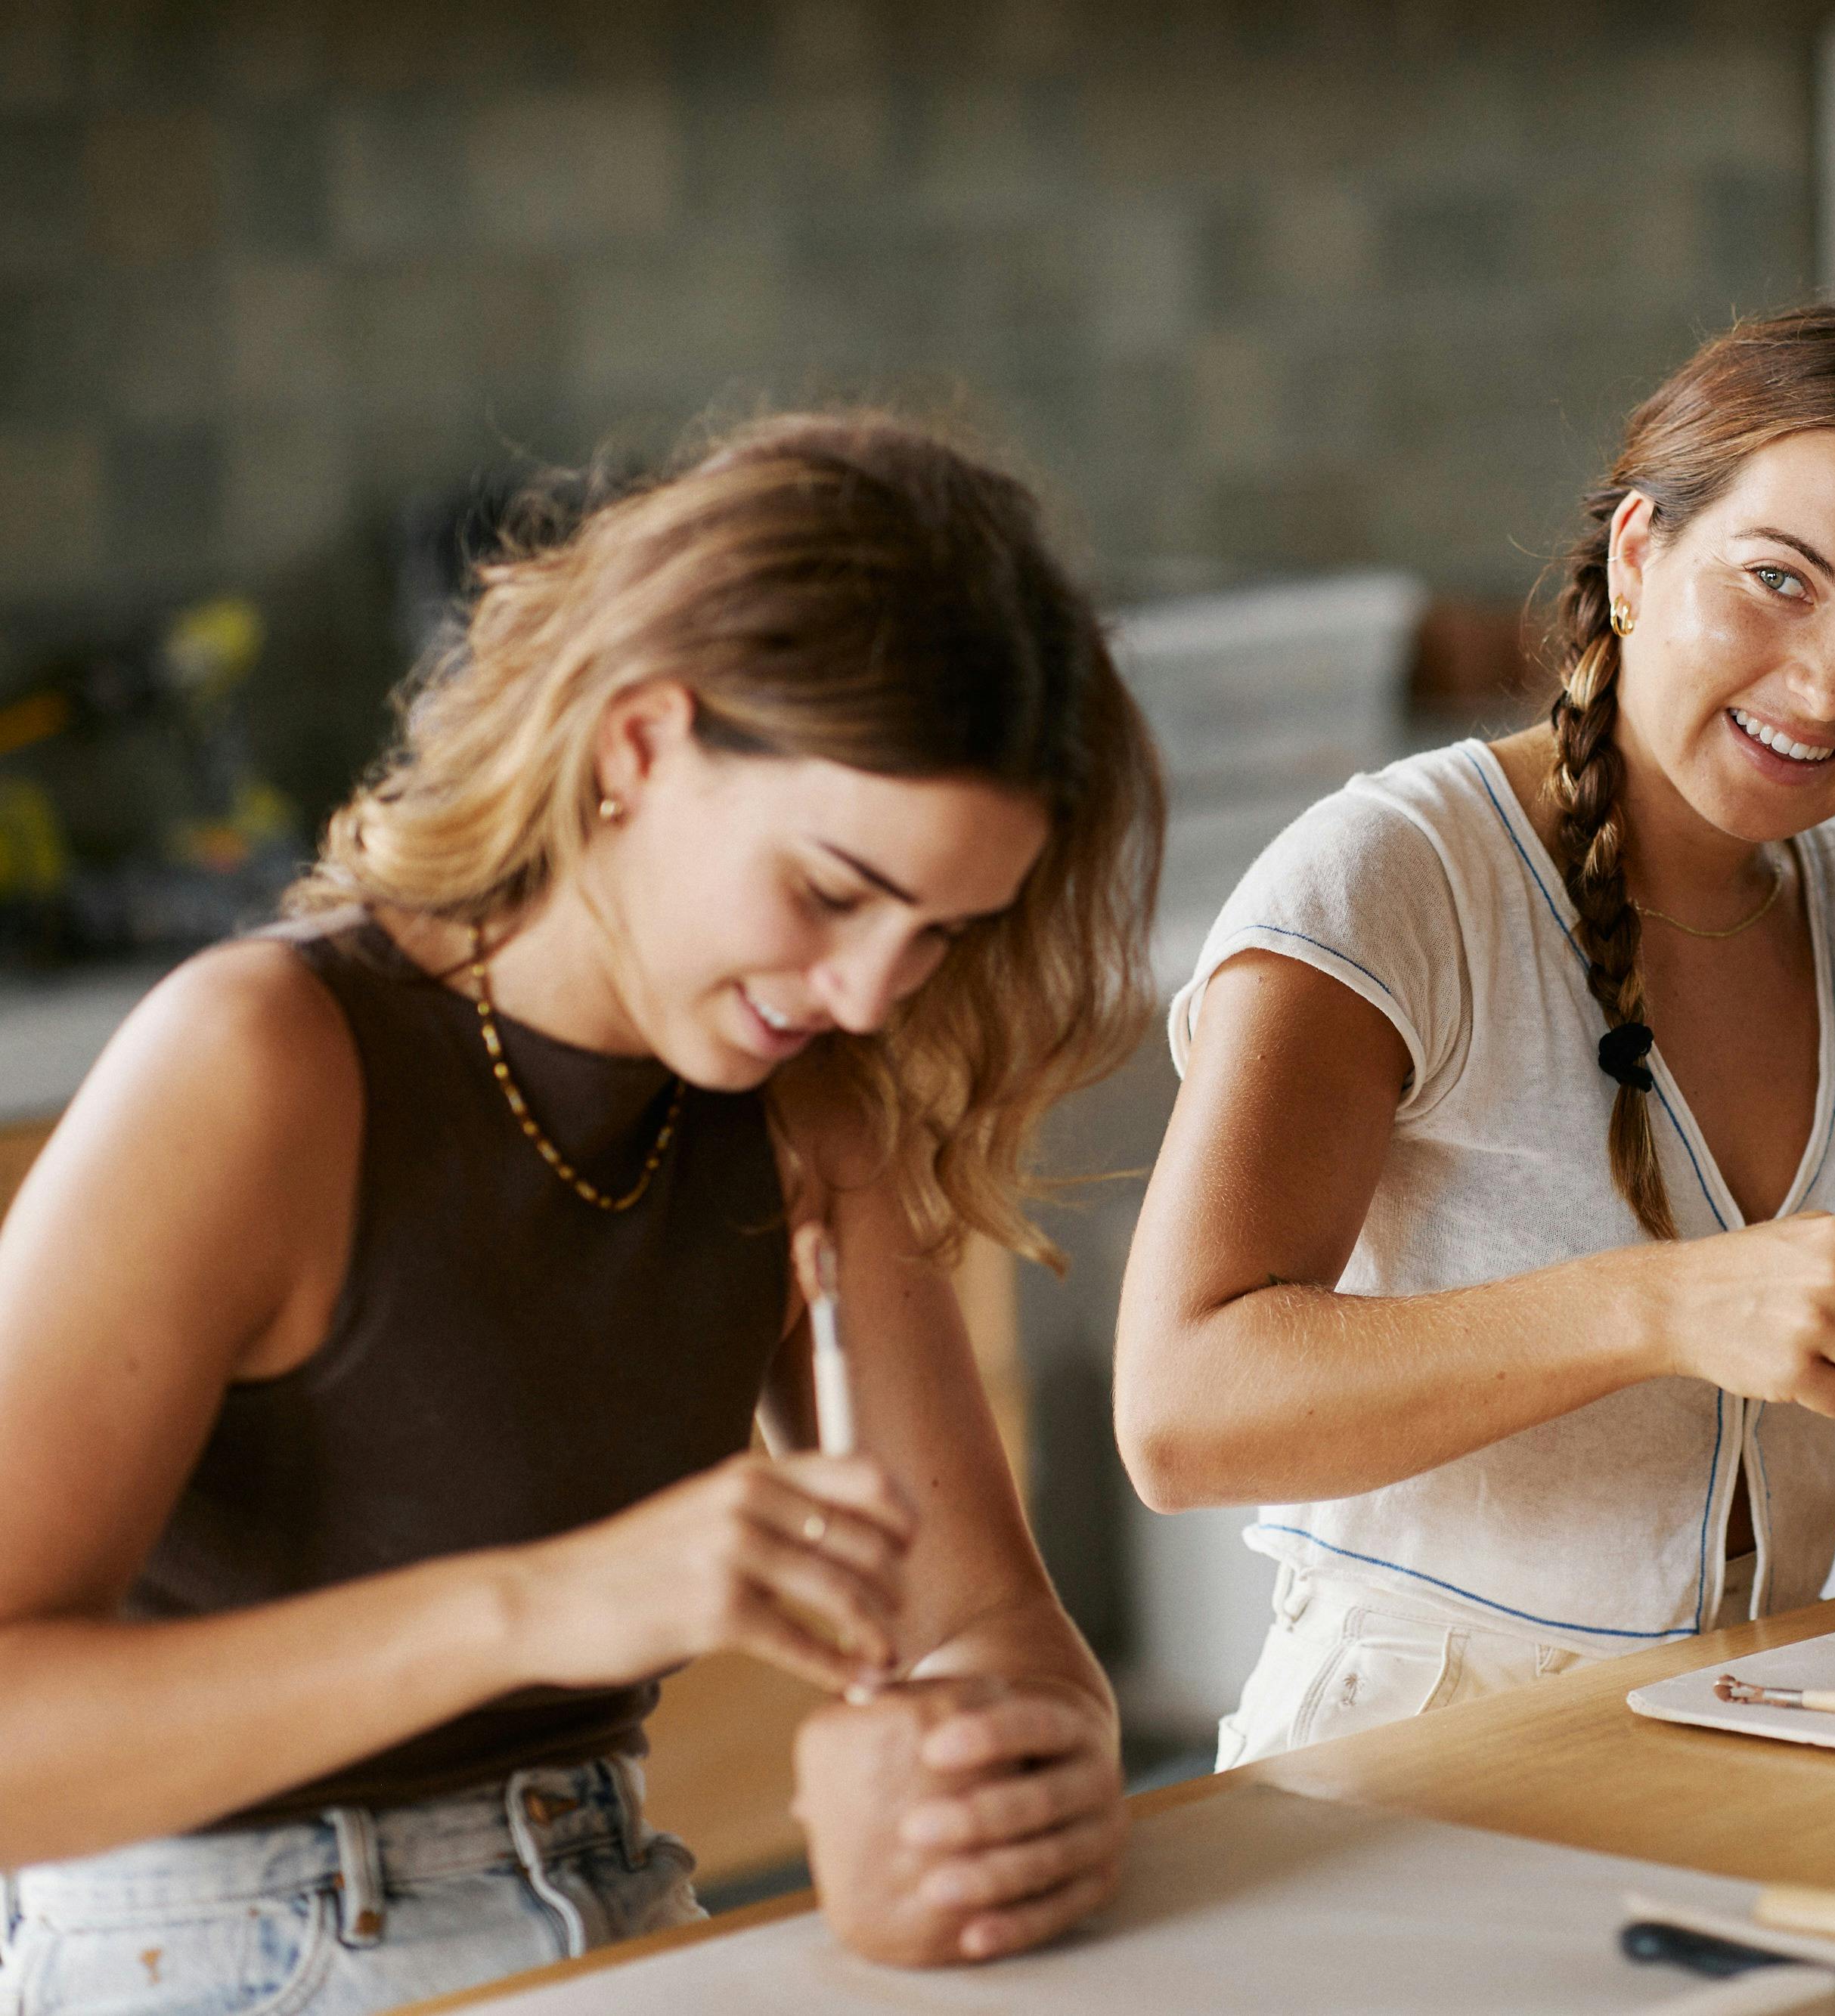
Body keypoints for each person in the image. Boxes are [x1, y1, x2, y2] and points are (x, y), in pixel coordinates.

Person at [0, 414, 1161, 2008]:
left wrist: (983, 1790)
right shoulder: (262, 1062)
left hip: (617, 1917)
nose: (865, 988)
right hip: (199, 1951)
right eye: (830, 889)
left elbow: (987, 1627)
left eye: (940, 932)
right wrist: (539, 1603)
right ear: (634, 749)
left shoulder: (808, 1100)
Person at [1113, 305, 1835, 1768]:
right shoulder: (1392, 881)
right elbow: (1182, 1409)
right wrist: (1660, 1305)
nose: (1829, 685)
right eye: (1777, 581)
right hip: (1400, 1769)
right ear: (1636, 553)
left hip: (1747, 1745)